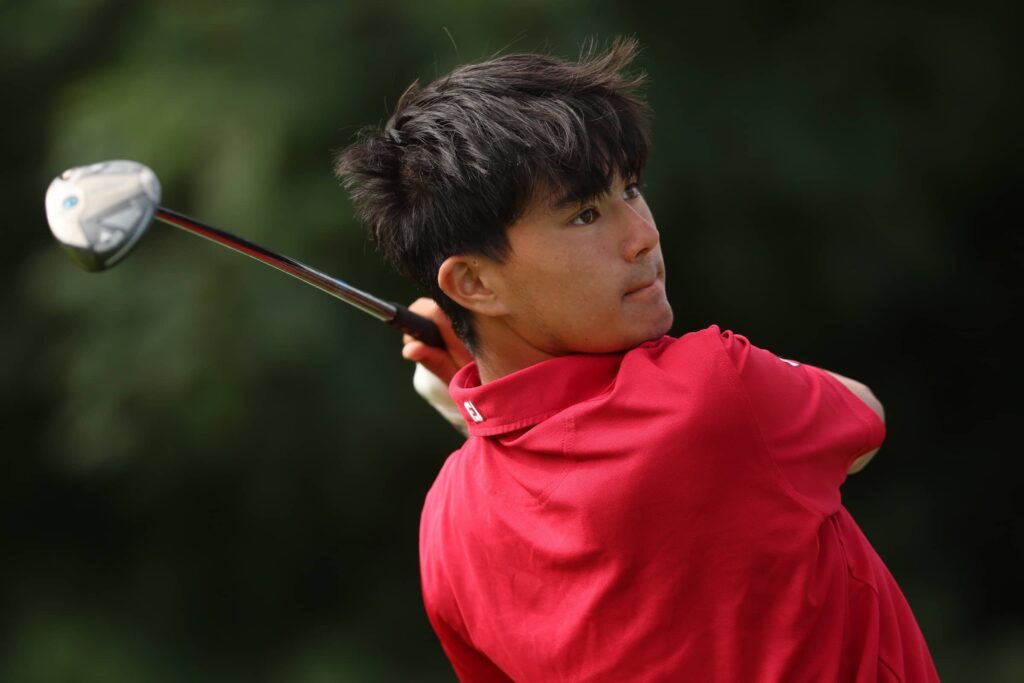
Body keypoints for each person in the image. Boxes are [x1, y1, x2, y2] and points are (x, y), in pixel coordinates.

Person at [335, 38, 940, 683]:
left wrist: (480, 389)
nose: (642, 236)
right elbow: (862, 418)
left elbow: (558, 460)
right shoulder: (710, 390)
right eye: (585, 215)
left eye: (631, 189)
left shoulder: (447, 530)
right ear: (475, 285)